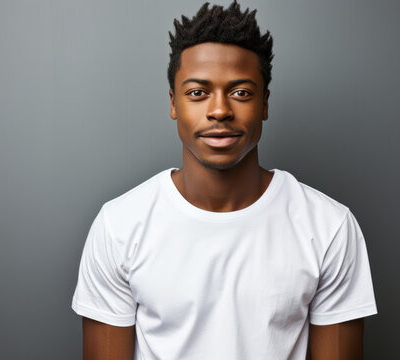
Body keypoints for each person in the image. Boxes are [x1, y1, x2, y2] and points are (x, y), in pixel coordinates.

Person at [72, 1, 377, 359]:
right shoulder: (119, 225)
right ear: (173, 103)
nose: (219, 110)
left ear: (264, 104)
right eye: (198, 93)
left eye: (241, 92)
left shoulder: (329, 227)